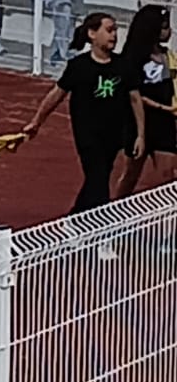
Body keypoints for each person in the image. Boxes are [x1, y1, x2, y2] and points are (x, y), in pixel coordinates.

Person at [22, 12, 143, 227]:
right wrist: (37, 122)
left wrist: (141, 135)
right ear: (92, 34)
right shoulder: (79, 66)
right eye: (108, 30)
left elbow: (135, 100)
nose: (114, 35)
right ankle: (102, 231)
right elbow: (56, 95)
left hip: (114, 133)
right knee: (98, 180)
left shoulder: (123, 66)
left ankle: (73, 219)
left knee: (99, 178)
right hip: (88, 133)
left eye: (115, 30)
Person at [118, 5, 177, 198]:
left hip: (165, 124)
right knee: (130, 176)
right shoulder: (132, 59)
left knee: (168, 175)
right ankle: (110, 215)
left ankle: (164, 223)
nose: (169, 31)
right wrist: (164, 107)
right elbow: (133, 95)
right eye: (164, 27)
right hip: (138, 123)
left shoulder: (168, 56)